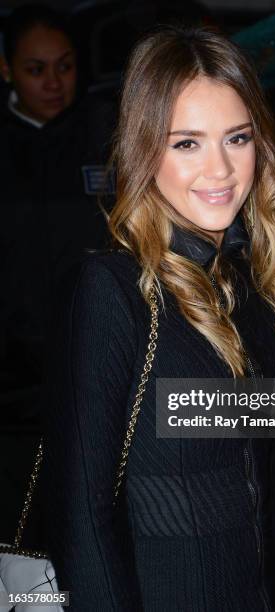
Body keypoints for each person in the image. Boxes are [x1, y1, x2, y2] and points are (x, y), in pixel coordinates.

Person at [42, 26, 275, 611]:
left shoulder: (251, 283)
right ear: (145, 151)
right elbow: (83, 518)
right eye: (187, 143)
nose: (220, 170)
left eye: (237, 138)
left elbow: (267, 476)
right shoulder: (114, 292)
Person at [0, 4, 115, 405]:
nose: (54, 83)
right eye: (36, 70)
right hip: (13, 374)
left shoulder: (107, 131)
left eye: (64, 67)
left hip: (95, 356)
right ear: (6, 69)